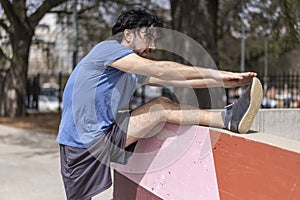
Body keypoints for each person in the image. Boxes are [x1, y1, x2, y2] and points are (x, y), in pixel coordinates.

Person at [56, 9, 263, 200]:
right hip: (80, 144)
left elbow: (177, 79)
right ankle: (227, 118)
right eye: (148, 37)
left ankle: (228, 118)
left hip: (106, 134)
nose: (153, 47)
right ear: (128, 35)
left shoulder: (132, 70)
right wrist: (218, 74)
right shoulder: (107, 49)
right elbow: (161, 69)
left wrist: (223, 80)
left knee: (161, 105)